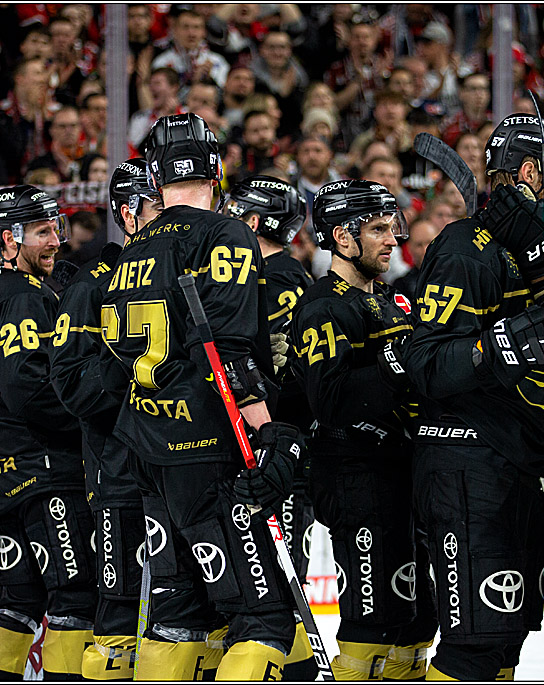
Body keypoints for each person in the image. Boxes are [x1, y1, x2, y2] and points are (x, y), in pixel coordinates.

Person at [101, 113, 304, 680]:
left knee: (178, 615)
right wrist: (267, 433)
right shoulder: (225, 233)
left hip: (148, 449)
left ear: (155, 176)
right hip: (211, 448)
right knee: (263, 619)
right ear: (216, 170)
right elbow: (230, 350)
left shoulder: (135, 248)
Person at [402, 114, 544, 680]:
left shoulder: (540, 250)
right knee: (474, 648)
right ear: (530, 172)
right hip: (467, 466)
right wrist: (506, 343)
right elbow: (427, 365)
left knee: (501, 642)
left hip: (512, 462)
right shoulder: (465, 247)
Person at [289, 179, 437, 679]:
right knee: (372, 624)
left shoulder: (394, 300)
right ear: (342, 239)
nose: (392, 239)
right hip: (356, 478)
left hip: (404, 473)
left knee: (418, 622)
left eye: (393, 227)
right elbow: (329, 400)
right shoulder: (322, 307)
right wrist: (399, 361)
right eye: (378, 229)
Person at [0, 185, 96, 680]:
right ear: (8, 241)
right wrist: (88, 422)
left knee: (21, 597)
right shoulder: (23, 297)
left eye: (56, 229)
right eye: (42, 232)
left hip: (6, 474)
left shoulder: (0, 294)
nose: (54, 242)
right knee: (74, 592)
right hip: (44, 474)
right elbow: (28, 389)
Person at [48, 159, 163, 680]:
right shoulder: (92, 282)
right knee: (118, 611)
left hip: (178, 472)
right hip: (117, 474)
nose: (169, 214)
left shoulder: (182, 272)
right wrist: (131, 367)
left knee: (182, 614)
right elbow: (70, 382)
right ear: (129, 213)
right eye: (158, 204)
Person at [218, 174, 322, 681]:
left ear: (254, 222)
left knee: (269, 600)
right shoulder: (294, 276)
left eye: (238, 212)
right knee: (281, 594)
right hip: (282, 450)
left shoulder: (272, 279)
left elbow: (270, 374)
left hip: (267, 452)